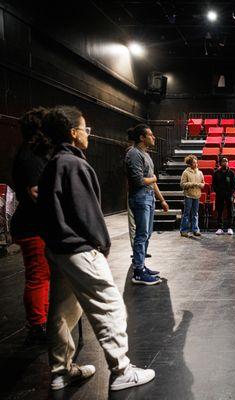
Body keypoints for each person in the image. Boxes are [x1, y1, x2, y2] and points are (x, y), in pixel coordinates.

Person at [37, 105, 155, 391]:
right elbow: (87, 213)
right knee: (110, 305)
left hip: (58, 248)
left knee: (62, 311)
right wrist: (102, 244)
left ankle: (61, 371)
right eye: (85, 128)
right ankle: (121, 370)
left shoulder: (53, 162)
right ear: (73, 133)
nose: (88, 133)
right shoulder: (75, 164)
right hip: (79, 248)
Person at [10, 107, 52, 343]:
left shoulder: (32, 153)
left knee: (43, 274)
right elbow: (38, 192)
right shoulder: (31, 156)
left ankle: (42, 319)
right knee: (38, 275)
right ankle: (37, 326)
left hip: (35, 224)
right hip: (32, 225)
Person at [125, 124, 168, 285]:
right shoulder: (134, 154)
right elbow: (138, 181)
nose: (154, 137)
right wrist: (154, 178)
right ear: (142, 138)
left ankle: (142, 266)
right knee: (141, 234)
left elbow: (151, 181)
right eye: (150, 135)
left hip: (148, 197)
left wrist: (162, 199)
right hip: (140, 197)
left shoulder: (146, 154)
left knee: (147, 233)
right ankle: (138, 271)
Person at [180, 154, 205, 237]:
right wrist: (194, 184)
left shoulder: (200, 172)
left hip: (197, 195)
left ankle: (195, 229)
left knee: (195, 214)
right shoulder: (186, 172)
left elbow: (202, 182)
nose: (196, 164)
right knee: (187, 213)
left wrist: (202, 185)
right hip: (188, 195)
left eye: (196, 163)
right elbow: (182, 184)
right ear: (190, 164)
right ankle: (184, 230)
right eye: (194, 163)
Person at [212, 157, 235, 235]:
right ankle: (220, 228)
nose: (225, 162)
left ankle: (230, 228)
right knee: (219, 211)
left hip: (229, 195)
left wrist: (231, 193)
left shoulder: (232, 173)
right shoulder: (216, 173)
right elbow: (214, 185)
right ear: (220, 163)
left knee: (230, 211)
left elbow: (234, 185)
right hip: (219, 195)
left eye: (226, 161)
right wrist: (218, 192)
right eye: (223, 161)